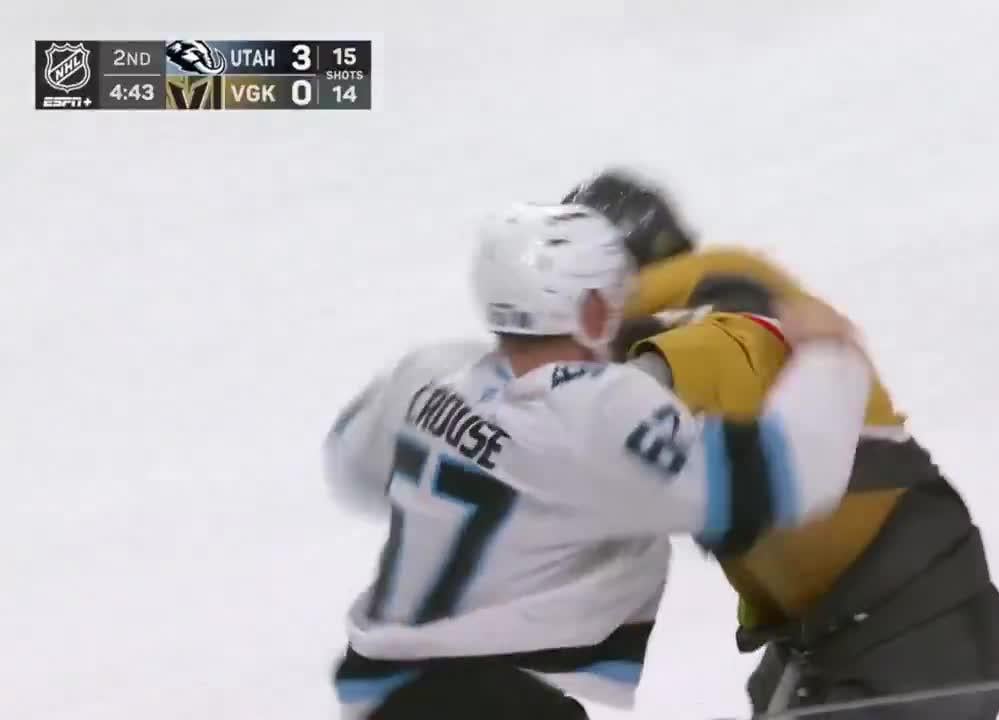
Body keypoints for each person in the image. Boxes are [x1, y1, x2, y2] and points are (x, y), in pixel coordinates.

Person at [322, 201, 877, 719]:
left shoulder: (430, 373)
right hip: (484, 701)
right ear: (589, 309)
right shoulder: (597, 414)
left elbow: (354, 471)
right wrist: (831, 355)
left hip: (381, 690)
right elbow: (786, 478)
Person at [565, 170, 999, 719]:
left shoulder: (715, 335)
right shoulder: (744, 309)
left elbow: (622, 407)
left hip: (906, 638)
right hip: (853, 632)